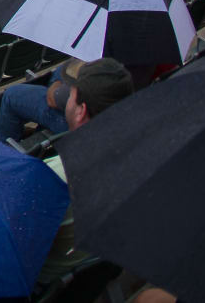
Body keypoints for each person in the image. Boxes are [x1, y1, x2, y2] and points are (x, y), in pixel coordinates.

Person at [36, 59, 134, 287]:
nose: (65, 99)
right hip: (98, 273)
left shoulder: (52, 176)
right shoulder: (143, 155)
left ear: (81, 111)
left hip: (46, 285)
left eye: (70, 94)